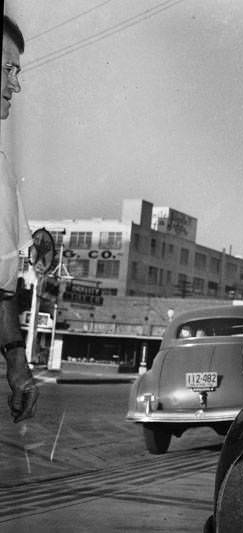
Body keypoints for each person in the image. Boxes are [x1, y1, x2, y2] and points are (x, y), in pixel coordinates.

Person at [1, 15, 39, 423]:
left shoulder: (3, 172)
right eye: (9, 70)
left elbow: (2, 286)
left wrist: (17, 363)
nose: (16, 85)